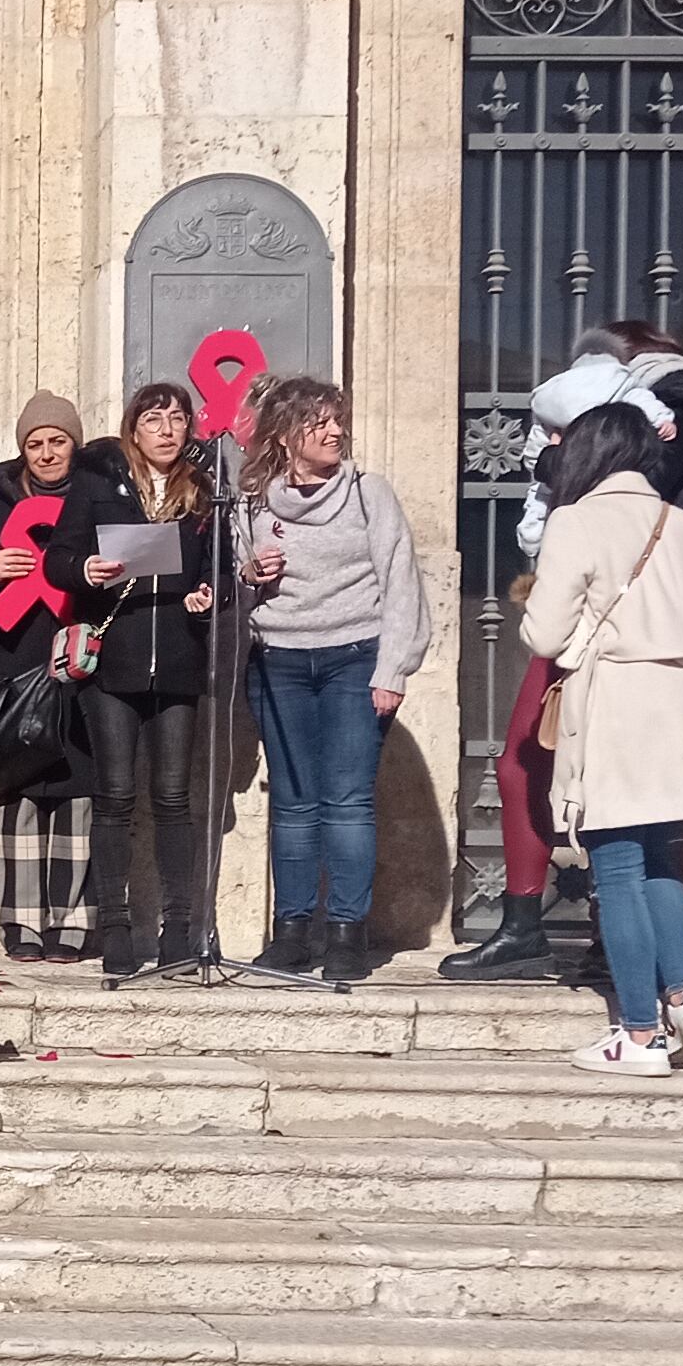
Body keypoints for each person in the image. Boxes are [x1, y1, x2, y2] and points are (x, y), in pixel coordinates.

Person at [446, 324, 683, 982]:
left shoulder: (663, 423)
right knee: (557, 779)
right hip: (643, 636)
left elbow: (608, 495)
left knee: (625, 811)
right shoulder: (665, 422)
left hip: (605, 634)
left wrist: (552, 463)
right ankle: (657, 977)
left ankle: (626, 981)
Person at [519, 405, 683, 1072]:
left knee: (615, 868)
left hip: (620, 702)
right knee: (660, 859)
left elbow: (545, 635)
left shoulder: (575, 521)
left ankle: (639, 1033)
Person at [234, 373, 432, 989]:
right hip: (278, 662)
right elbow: (235, 588)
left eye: (337, 420)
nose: (335, 431)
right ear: (286, 433)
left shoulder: (371, 494)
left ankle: (347, 934)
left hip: (354, 659)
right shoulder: (252, 503)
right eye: (319, 422)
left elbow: (401, 582)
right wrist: (250, 573)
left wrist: (392, 668)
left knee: (346, 802)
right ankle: (293, 933)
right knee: (292, 804)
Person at [47, 380, 231, 981]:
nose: (168, 430)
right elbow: (58, 558)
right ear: (134, 428)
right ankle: (118, 929)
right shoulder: (99, 485)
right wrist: (85, 569)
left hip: (178, 661)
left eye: (178, 419)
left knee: (174, 799)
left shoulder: (203, 492)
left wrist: (212, 593)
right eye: (155, 420)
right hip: (114, 662)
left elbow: (222, 569)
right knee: (115, 797)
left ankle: (180, 927)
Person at [0, 392, 93, 962]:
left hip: (83, 659)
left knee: (77, 788)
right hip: (16, 660)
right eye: (35, 443)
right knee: (20, 786)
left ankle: (71, 920)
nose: (47, 453)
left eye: (57, 441)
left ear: (76, 444)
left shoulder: (98, 498)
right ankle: (21, 920)